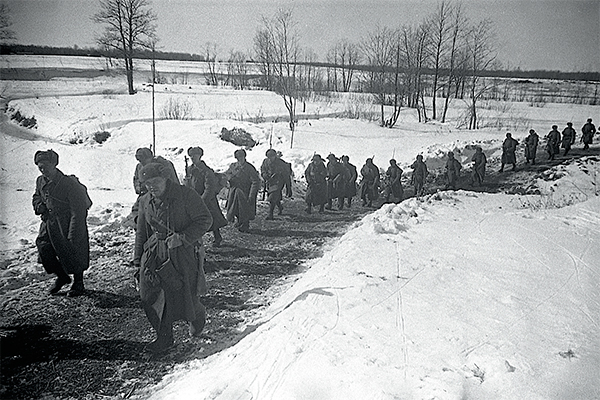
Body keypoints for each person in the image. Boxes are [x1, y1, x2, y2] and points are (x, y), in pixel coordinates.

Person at [133, 163, 213, 354]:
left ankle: (197, 316)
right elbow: (141, 232)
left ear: (166, 179)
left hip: (182, 252)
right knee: (150, 294)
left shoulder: (186, 195)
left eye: (156, 182)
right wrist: (137, 261)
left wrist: (183, 237)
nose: (152, 187)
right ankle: (164, 337)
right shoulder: (145, 201)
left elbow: (205, 220)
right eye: (148, 183)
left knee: (184, 294)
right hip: (153, 252)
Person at [32, 150, 90, 297]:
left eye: (45, 166)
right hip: (49, 222)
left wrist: (74, 231)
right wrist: (39, 206)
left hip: (67, 221)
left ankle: (78, 283)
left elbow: (78, 210)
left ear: (54, 164)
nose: (42, 169)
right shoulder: (40, 180)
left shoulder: (69, 183)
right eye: (40, 166)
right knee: (43, 247)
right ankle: (62, 276)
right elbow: (37, 196)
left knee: (73, 249)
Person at [183, 146, 227, 247]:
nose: (193, 157)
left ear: (200, 156)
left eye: (195, 155)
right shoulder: (190, 169)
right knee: (194, 220)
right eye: (191, 156)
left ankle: (217, 237)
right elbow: (188, 186)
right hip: (193, 199)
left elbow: (210, 188)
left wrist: (202, 201)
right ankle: (197, 241)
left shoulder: (207, 171)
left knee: (212, 220)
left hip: (207, 199)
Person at [132, 147, 180, 220]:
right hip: (146, 193)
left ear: (151, 157)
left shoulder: (163, 165)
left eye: (144, 160)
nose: (142, 163)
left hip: (164, 193)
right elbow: (137, 179)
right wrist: (138, 188)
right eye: (140, 161)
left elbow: (173, 180)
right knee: (138, 209)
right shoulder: (139, 167)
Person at [224, 149, 260, 232]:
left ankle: (245, 225)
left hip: (245, 192)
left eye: (241, 157)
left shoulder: (249, 168)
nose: (239, 159)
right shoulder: (233, 166)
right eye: (237, 157)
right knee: (234, 208)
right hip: (234, 191)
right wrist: (228, 178)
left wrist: (252, 194)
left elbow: (255, 181)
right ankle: (239, 221)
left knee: (244, 209)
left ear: (244, 157)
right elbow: (227, 174)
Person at [260, 149, 291, 220]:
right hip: (270, 182)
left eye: (272, 157)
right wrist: (264, 175)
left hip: (278, 182)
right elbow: (263, 169)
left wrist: (288, 187)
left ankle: (270, 214)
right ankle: (280, 207)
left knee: (272, 197)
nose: (270, 158)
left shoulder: (281, 163)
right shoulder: (265, 162)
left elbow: (286, 176)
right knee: (274, 197)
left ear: (275, 156)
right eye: (268, 157)